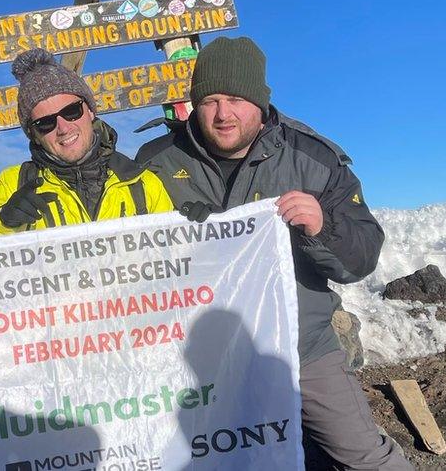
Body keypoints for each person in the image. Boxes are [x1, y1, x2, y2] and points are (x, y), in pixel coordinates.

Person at [136, 36, 412, 470]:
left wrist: (322, 226)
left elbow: (361, 260)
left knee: (365, 458)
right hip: (193, 358)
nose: (223, 114)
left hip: (299, 348)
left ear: (260, 102)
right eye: (209, 100)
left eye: (235, 99)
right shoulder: (156, 164)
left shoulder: (312, 158)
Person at [0, 48, 173, 239]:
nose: (63, 128)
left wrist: (200, 229)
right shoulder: (13, 183)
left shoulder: (143, 183)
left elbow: (179, 259)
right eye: (45, 123)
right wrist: (3, 223)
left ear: (90, 111)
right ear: (33, 135)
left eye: (71, 112)